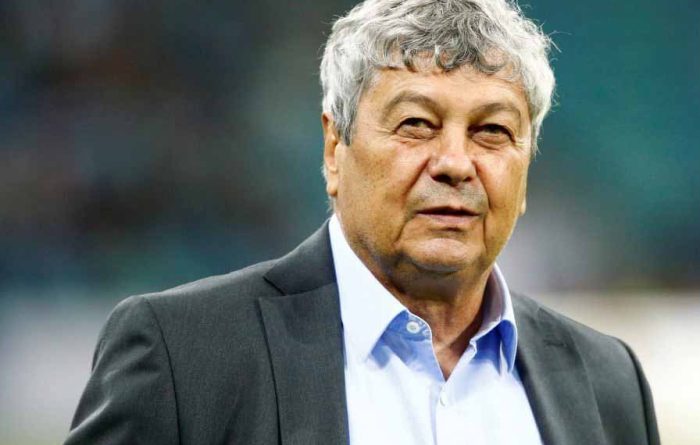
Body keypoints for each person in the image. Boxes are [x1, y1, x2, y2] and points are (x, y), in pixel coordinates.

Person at [65, 0, 659, 444]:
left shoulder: (607, 382)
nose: (455, 163)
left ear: (526, 167)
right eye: (416, 125)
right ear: (334, 148)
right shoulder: (183, 356)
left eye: (492, 131)